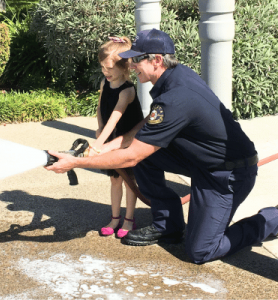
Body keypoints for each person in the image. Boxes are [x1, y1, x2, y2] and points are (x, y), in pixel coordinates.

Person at [45, 29, 278, 264]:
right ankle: (168, 225)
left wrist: (77, 162)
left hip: (226, 174)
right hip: (202, 162)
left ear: (156, 60)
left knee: (202, 250)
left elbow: (131, 157)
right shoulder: (174, 76)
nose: (131, 65)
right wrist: (103, 148)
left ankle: (272, 219)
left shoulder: (176, 97)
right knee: (148, 156)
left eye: (136, 59)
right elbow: (147, 127)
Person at [89, 36, 144, 238]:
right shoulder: (105, 83)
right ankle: (114, 218)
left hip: (126, 141)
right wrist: (99, 128)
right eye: (103, 67)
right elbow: (101, 109)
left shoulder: (127, 91)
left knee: (130, 181)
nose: (106, 72)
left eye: (110, 68)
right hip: (109, 138)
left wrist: (97, 144)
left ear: (125, 67)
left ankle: (129, 218)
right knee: (114, 180)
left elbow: (115, 117)